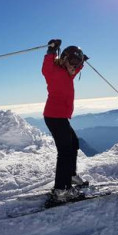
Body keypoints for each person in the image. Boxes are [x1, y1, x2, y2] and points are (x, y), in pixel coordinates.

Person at [42, 39, 89, 202]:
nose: (74, 66)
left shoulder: (69, 72)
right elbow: (46, 66)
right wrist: (51, 51)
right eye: (73, 62)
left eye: (78, 63)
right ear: (64, 58)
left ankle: (71, 175)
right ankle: (61, 189)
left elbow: (75, 69)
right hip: (54, 117)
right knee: (65, 151)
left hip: (60, 117)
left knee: (74, 143)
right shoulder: (53, 71)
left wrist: (82, 62)